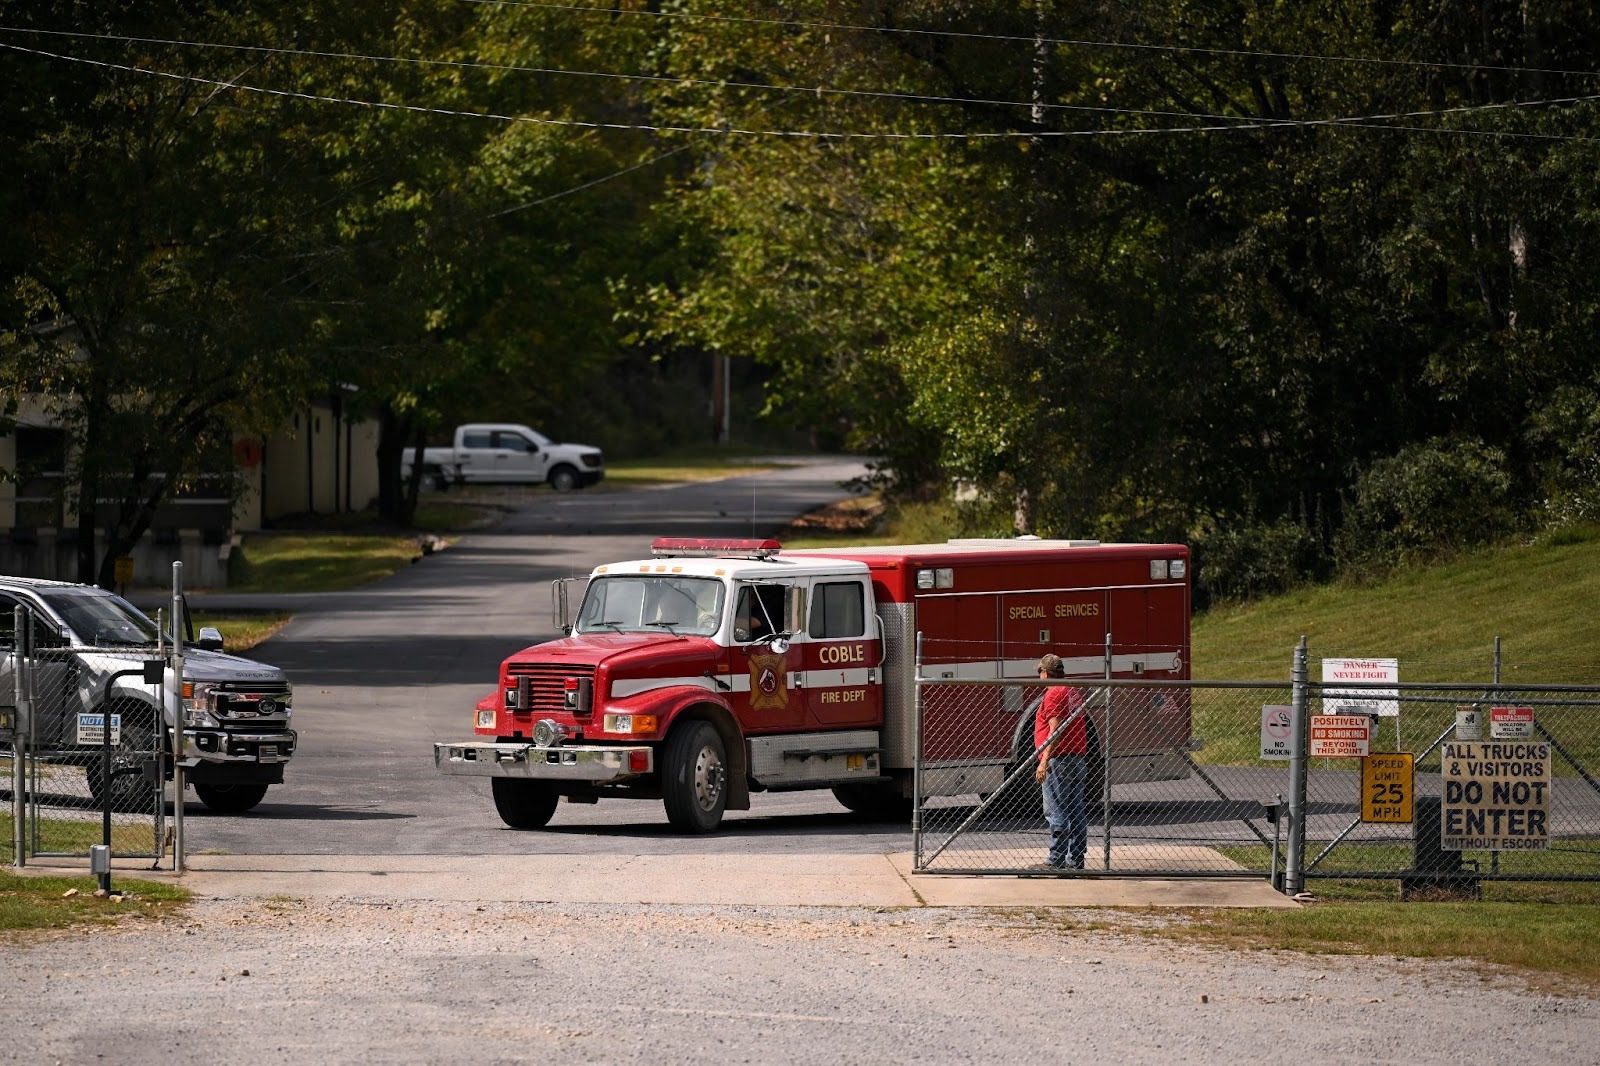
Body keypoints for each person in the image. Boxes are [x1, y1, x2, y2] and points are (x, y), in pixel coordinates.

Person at [1033, 653, 1087, 870]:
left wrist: (1044, 761)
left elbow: (1056, 729)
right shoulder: (1072, 691)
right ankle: (1076, 859)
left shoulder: (1054, 693)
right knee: (1075, 811)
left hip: (1060, 760)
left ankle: (1056, 859)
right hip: (1077, 758)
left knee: (1056, 811)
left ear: (1045, 673)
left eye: (1039, 673)